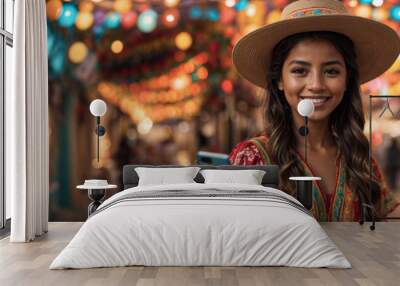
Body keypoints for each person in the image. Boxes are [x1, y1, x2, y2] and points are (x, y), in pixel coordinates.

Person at [229, 0, 400, 221]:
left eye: (331, 71)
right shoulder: (253, 159)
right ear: (280, 79)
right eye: (300, 71)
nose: (317, 84)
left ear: (348, 79)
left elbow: (389, 219)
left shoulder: (360, 160)